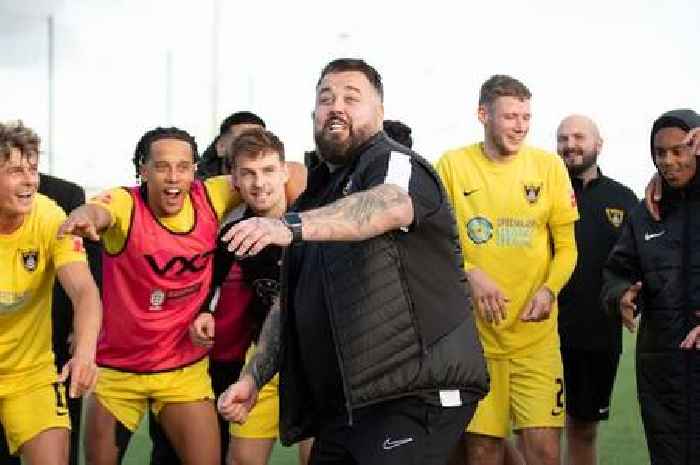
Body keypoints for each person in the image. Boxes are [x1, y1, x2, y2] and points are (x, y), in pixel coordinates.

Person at [217, 58, 489, 465]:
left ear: (379, 111)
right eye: (326, 99)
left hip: (412, 394)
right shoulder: (316, 199)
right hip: (348, 406)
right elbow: (290, 304)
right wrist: (255, 376)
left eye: (351, 97)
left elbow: (390, 203)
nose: (336, 106)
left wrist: (289, 226)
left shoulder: (393, 163)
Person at [60, 127, 239, 465]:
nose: (173, 177)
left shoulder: (212, 196)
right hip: (117, 371)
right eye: (162, 166)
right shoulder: (126, 203)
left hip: (181, 370)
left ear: (194, 170)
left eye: (183, 167)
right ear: (143, 169)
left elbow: (279, 174)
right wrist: (84, 217)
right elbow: (100, 210)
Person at [436, 75, 579, 465]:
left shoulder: (549, 167)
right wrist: (470, 272)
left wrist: (549, 290)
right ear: (483, 114)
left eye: (526, 117)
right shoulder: (451, 166)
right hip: (475, 343)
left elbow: (567, 248)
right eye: (510, 116)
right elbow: (431, 244)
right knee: (483, 452)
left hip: (535, 340)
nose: (520, 126)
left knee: (546, 453)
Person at [190, 127, 311, 465]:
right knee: (241, 459)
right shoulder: (234, 234)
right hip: (265, 357)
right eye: (249, 173)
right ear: (235, 181)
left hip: (317, 357)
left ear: (285, 171)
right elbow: (209, 288)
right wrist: (203, 315)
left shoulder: (315, 220)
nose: (260, 183)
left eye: (269, 171)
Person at [602, 109, 700, 465]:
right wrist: (621, 295)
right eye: (661, 153)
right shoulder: (646, 212)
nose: (669, 161)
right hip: (663, 368)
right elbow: (618, 270)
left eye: (679, 150)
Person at [0, 120, 101, 465]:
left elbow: (85, 291)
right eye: (15, 170)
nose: (29, 180)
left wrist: (85, 354)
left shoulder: (48, 215)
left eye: (33, 168)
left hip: (31, 375)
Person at [555, 115, 637, 465]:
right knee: (536, 431)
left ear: (598, 144)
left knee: (584, 430)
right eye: (562, 138)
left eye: (578, 136)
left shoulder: (623, 198)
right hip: (540, 332)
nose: (570, 144)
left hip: (598, 334)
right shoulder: (541, 190)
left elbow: (638, 261)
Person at [196, 111, 266, 179]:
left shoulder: (273, 184)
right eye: (242, 140)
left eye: (259, 141)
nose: (253, 147)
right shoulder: (197, 187)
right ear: (221, 147)